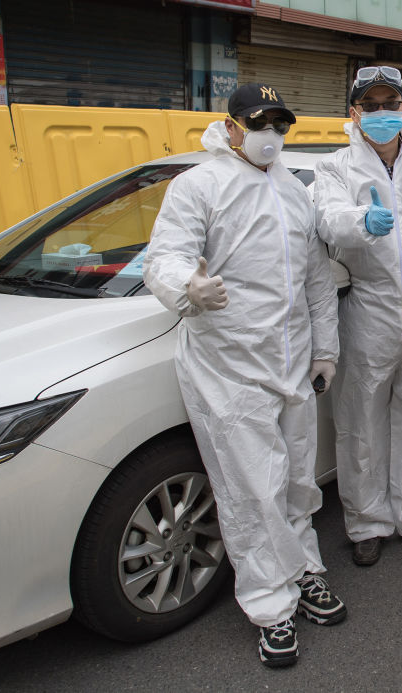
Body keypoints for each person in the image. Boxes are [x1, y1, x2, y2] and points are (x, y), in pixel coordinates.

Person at [143, 83, 347, 668]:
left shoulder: (292, 189)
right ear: (230, 125)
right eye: (259, 124)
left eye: (280, 126)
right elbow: (167, 255)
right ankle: (270, 607)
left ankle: (305, 570)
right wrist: (188, 287)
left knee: (298, 480)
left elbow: (315, 279)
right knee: (251, 490)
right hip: (227, 367)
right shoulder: (199, 185)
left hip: (291, 361)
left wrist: (325, 350)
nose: (270, 136)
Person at [314, 66, 402, 567]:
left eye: (390, 103)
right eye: (370, 105)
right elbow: (326, 220)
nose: (382, 113)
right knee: (361, 423)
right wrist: (360, 222)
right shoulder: (336, 168)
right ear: (353, 113)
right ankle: (367, 521)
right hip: (367, 310)